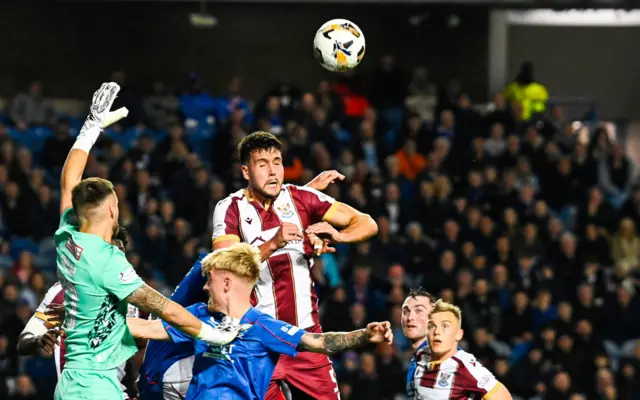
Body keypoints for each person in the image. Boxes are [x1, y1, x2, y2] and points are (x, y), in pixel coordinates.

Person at [52, 82, 244, 400]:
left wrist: (91, 127)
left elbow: (67, 182)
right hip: (96, 387)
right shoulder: (109, 260)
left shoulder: (67, 237)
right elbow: (162, 306)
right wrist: (214, 335)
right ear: (113, 210)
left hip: (71, 383)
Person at [138, 170, 343, 400]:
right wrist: (275, 242)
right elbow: (240, 264)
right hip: (166, 374)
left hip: (165, 366)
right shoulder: (211, 272)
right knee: (231, 365)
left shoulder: (212, 270)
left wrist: (307, 191)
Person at [212, 131, 378, 400]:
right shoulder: (230, 208)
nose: (272, 171)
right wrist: (272, 244)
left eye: (277, 162)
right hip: (256, 343)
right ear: (246, 171)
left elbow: (368, 223)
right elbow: (223, 266)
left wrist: (339, 235)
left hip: (306, 340)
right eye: (262, 164)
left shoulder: (302, 198)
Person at [127, 243, 393, 400]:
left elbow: (317, 341)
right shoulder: (199, 315)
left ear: (227, 282)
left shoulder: (264, 327)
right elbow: (148, 328)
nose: (205, 287)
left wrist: (363, 336)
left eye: (210, 280)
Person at [17, 228, 143, 399]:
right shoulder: (62, 293)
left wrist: (136, 390)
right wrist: (39, 339)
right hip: (74, 392)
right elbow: (23, 344)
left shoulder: (135, 298)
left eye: (119, 252)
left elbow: (129, 357)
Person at [409, 300, 513, 400]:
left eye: (445, 326)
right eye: (432, 326)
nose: (437, 332)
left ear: (458, 335)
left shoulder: (465, 367)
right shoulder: (420, 355)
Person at [401, 288, 437, 399]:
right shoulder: (417, 359)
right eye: (406, 312)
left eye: (418, 311)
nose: (410, 318)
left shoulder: (444, 354)